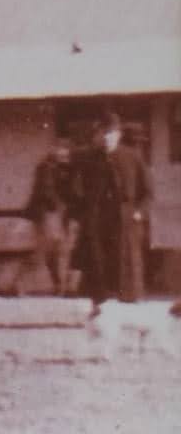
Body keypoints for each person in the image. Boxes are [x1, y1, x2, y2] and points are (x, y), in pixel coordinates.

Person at [74, 111, 153, 310]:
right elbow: (75, 189)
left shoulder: (133, 157)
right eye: (103, 133)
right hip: (98, 220)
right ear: (98, 135)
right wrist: (83, 212)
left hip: (126, 220)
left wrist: (138, 212)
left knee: (126, 265)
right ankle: (99, 308)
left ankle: (129, 307)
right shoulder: (88, 159)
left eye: (111, 133)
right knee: (98, 263)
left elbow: (148, 192)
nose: (107, 138)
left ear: (118, 135)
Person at [18, 138, 78, 295]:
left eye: (65, 149)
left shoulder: (65, 168)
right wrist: (61, 207)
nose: (62, 152)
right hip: (47, 213)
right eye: (59, 149)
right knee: (45, 250)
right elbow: (46, 190)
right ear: (54, 149)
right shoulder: (46, 167)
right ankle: (20, 284)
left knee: (59, 251)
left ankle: (60, 287)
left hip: (59, 213)